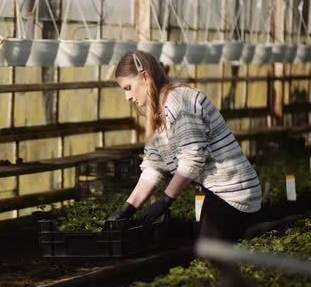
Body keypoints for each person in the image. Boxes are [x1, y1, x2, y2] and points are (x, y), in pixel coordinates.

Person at [106, 50, 261, 243]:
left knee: (211, 254)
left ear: (144, 76)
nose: (127, 97)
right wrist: (128, 209)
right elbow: (154, 165)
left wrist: (165, 200)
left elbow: (192, 156)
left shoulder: (178, 101)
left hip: (235, 190)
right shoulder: (157, 112)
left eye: (128, 87)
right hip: (217, 192)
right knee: (210, 255)